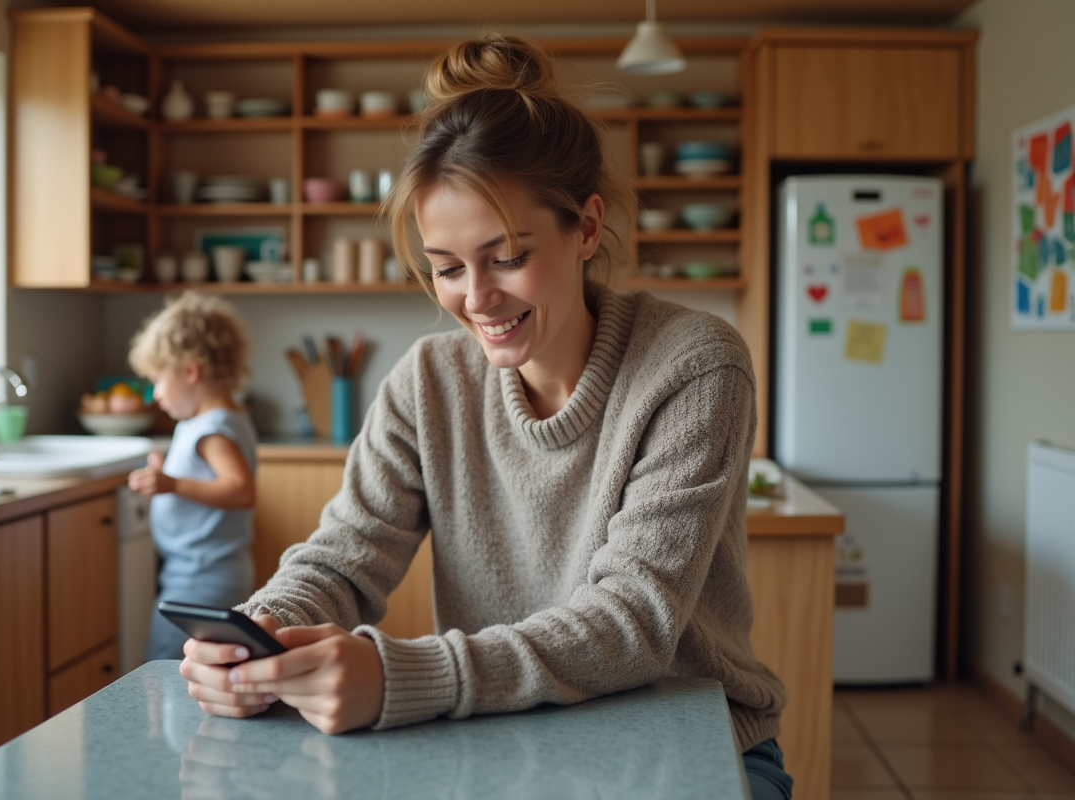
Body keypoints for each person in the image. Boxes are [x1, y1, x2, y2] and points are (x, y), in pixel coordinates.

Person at [178, 34, 792, 799]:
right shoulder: (427, 382)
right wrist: (261, 632)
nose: (476, 298)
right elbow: (343, 558)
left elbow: (633, 620)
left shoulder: (694, 365)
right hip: (501, 741)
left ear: (588, 228)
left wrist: (403, 673)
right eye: (445, 267)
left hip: (691, 741)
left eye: (506, 257)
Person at [128, 291, 259, 662]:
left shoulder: (212, 429)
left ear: (190, 371)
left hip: (200, 576)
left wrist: (170, 484)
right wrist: (166, 474)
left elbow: (239, 490)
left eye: (158, 379)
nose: (155, 394)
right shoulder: (215, 421)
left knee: (165, 665)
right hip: (204, 569)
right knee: (202, 665)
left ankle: (165, 724)